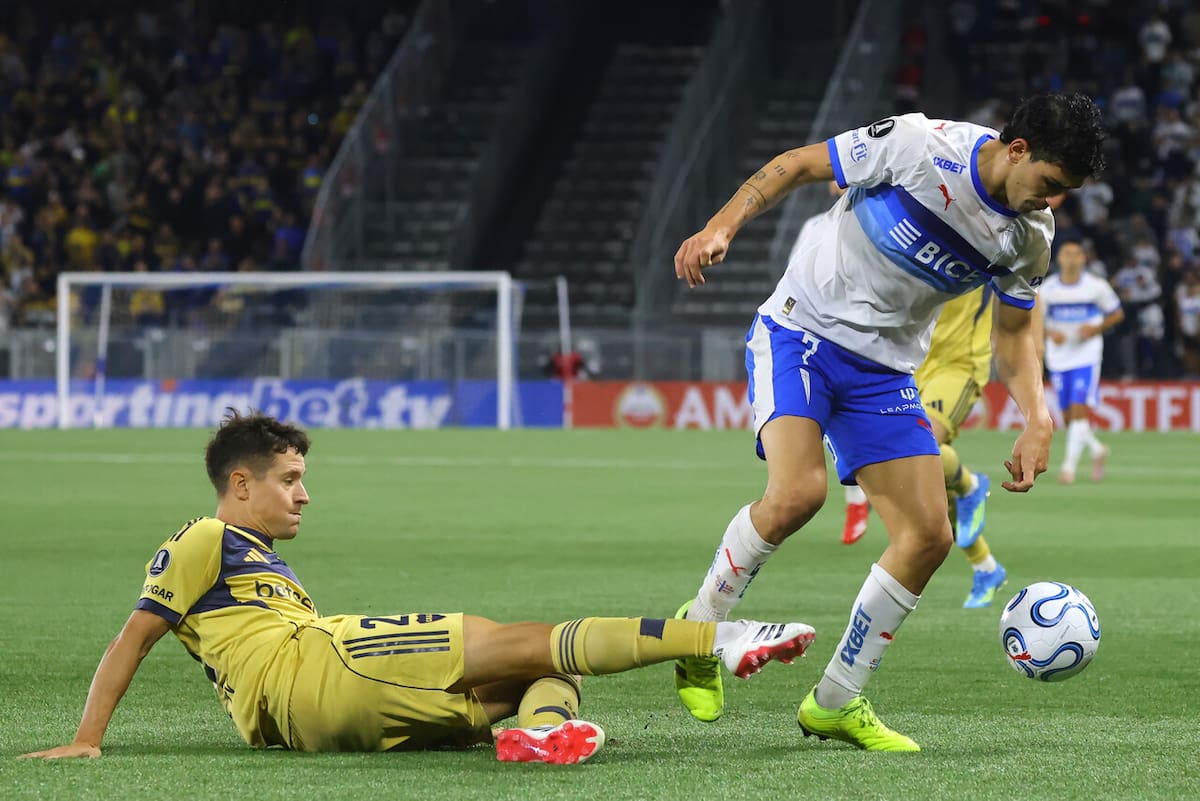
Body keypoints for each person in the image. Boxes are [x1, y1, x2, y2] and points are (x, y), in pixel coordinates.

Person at [671, 92, 1105, 751]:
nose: (1051, 203)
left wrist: (1036, 415)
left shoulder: (1029, 235)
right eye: (1049, 185)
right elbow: (796, 164)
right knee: (797, 495)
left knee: (929, 535)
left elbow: (1015, 335)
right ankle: (699, 631)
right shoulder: (919, 146)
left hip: (884, 370)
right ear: (1017, 151)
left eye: (1064, 193)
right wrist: (722, 226)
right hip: (803, 329)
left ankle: (836, 701)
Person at [20, 412, 815, 765]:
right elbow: (134, 633)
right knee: (525, 636)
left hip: (314, 709)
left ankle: (537, 733)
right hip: (317, 664)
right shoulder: (205, 535)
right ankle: (718, 635)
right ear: (240, 482)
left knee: (543, 676)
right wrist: (90, 736)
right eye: (290, 479)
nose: (303, 495)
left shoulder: (261, 566)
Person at [840, 286, 1008, 609]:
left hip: (960, 364)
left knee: (925, 444)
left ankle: (971, 486)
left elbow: (1024, 292)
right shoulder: (916, 241)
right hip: (913, 362)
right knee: (922, 477)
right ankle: (985, 565)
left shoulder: (989, 240)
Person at [1037, 240, 1124, 483]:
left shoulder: (1096, 287)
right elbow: (1036, 320)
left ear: (1083, 259)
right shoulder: (1048, 289)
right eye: (1067, 254)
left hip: (1087, 355)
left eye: (1077, 254)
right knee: (1068, 417)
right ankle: (1097, 449)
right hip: (1059, 356)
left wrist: (1097, 328)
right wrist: (1048, 333)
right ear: (1060, 259)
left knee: (1078, 409)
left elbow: (1117, 313)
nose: (1072, 258)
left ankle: (1068, 468)